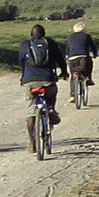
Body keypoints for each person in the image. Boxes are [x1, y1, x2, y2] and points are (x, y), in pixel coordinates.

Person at [18, 23, 66, 151]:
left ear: (31, 34)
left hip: (30, 82)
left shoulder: (24, 45)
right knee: (52, 93)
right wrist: (64, 72)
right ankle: (50, 108)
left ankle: (33, 143)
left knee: (31, 114)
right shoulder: (50, 43)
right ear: (44, 33)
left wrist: (24, 77)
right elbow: (60, 59)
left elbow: (21, 63)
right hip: (47, 80)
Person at [64, 21, 99, 103]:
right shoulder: (86, 36)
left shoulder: (69, 37)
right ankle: (88, 78)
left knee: (73, 76)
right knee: (89, 64)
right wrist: (95, 54)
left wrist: (66, 56)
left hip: (72, 58)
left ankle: (72, 95)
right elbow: (92, 47)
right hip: (83, 57)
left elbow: (67, 49)